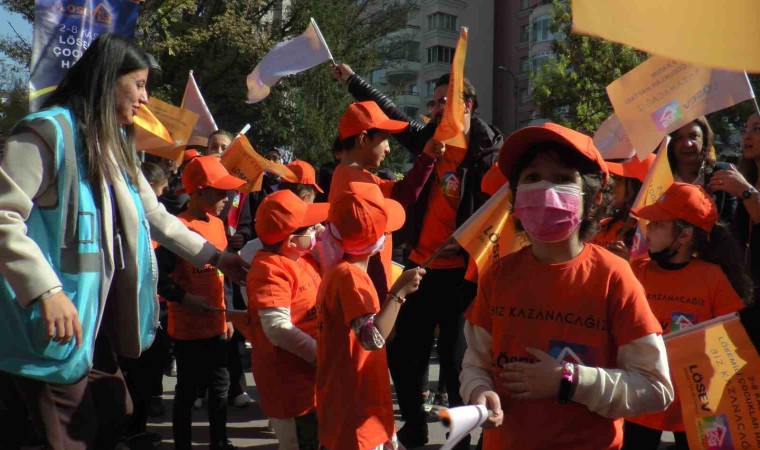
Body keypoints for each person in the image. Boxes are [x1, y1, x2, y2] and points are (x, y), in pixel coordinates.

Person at [0, 33, 248, 450]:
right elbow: (4, 217)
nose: (145, 98)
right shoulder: (44, 132)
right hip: (48, 325)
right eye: (139, 84)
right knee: (73, 434)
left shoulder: (114, 145)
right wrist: (46, 291)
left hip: (92, 323)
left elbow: (155, 216)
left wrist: (217, 257)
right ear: (105, 80)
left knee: (115, 413)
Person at [461, 123, 673, 449]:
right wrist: (478, 391)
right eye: (533, 177)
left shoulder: (614, 277)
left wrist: (569, 380)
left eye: (562, 179)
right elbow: (475, 364)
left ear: (594, 200)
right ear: (515, 197)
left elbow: (655, 388)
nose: (546, 189)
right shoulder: (497, 275)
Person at [333, 64, 502, 447]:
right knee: (403, 353)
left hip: (462, 274)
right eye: (435, 102)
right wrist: (353, 81)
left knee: (457, 364)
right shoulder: (428, 140)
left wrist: (474, 241)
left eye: (446, 101)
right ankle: (414, 424)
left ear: (467, 105)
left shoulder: (487, 152)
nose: (438, 108)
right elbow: (389, 114)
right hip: (419, 268)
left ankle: (458, 438)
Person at [622, 182, 750, 449]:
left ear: (684, 236)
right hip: (642, 398)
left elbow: (732, 343)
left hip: (696, 405)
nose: (648, 229)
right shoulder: (637, 271)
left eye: (658, 224)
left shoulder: (712, 277)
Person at [316, 182, 425, 450]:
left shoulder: (341, 271)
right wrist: (398, 293)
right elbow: (372, 338)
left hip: (350, 397)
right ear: (378, 240)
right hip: (355, 404)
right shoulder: (351, 278)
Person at [154, 156, 246, 450]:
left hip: (217, 324)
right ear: (200, 191)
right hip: (188, 330)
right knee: (188, 391)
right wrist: (185, 299)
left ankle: (219, 442)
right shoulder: (176, 229)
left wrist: (228, 316)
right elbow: (158, 278)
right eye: (220, 192)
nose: (227, 198)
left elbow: (224, 276)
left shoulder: (218, 225)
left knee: (220, 387)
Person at [328, 100, 438, 300]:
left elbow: (403, 193)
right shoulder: (355, 186)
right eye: (385, 139)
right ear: (363, 139)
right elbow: (403, 195)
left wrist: (427, 157)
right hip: (367, 290)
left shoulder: (357, 176)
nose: (388, 149)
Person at [246, 190, 330, 449]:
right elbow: (277, 328)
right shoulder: (270, 268)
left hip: (312, 379)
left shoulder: (301, 258)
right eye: (310, 228)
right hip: (290, 383)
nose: (316, 230)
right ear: (291, 240)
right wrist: (320, 356)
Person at [710, 112, 760, 304]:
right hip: (746, 292)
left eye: (757, 129)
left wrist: (746, 192)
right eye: (746, 129)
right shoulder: (747, 180)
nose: (747, 136)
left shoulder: (744, 187)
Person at [668, 117, 736, 222]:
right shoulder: (658, 178)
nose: (687, 144)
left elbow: (732, 225)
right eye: (679, 138)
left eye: (694, 136)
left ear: (704, 139)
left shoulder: (723, 174)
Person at [593, 154, 654, 259]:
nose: (611, 185)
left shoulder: (651, 234)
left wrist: (629, 261)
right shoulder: (603, 225)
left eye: (618, 180)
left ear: (636, 189)